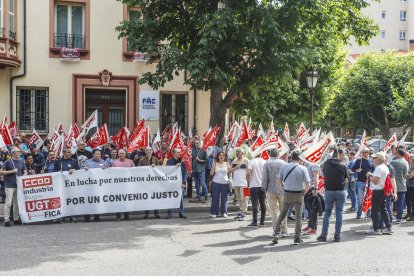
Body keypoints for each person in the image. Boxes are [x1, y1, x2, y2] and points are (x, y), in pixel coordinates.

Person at [273, 150, 310, 245]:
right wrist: (303, 194)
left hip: (287, 193)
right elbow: (308, 184)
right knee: (298, 217)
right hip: (299, 194)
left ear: (291, 157)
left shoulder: (284, 166)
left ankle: (276, 232)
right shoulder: (303, 168)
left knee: (282, 214)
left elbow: (278, 180)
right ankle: (297, 238)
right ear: (300, 158)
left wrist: (283, 189)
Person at [317, 148, 349, 242]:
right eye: (342, 155)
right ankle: (337, 236)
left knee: (327, 213)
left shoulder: (326, 163)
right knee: (339, 212)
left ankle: (324, 235)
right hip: (340, 191)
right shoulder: (343, 166)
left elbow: (323, 174)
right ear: (338, 154)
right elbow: (346, 178)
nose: (344, 157)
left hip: (329, 191)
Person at [262, 148, 287, 237]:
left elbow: (264, 177)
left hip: (270, 189)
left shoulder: (267, 163)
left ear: (270, 155)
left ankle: (276, 230)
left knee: (274, 211)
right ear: (278, 154)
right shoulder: (283, 163)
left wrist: (264, 187)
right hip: (282, 189)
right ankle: (284, 230)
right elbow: (286, 176)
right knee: (283, 210)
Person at [366, 152, 393, 235]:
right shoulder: (384, 167)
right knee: (383, 209)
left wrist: (369, 176)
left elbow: (376, 181)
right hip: (383, 191)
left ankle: (375, 229)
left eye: (374, 158)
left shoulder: (379, 168)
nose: (373, 159)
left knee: (375, 211)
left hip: (378, 191)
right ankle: (388, 227)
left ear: (378, 159)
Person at [0, 148, 27, 227]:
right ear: (13, 153)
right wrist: (12, 171)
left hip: (18, 185)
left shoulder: (21, 161)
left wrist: (23, 176)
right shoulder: (8, 161)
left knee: (16, 203)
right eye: (18, 152)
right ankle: (6, 219)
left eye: (19, 152)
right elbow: (1, 172)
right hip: (9, 185)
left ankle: (16, 218)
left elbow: (25, 171)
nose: (19, 153)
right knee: (8, 202)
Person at [82, 149, 109, 222]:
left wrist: (106, 168)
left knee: (97, 200)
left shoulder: (104, 162)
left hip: (99, 186)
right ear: (93, 155)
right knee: (88, 201)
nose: (98, 156)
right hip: (89, 185)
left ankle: (96, 216)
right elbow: (81, 170)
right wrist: (84, 169)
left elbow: (109, 171)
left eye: (99, 154)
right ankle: (87, 217)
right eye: (97, 154)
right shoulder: (87, 162)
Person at [54, 147, 80, 223]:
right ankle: (63, 216)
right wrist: (58, 172)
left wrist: (74, 170)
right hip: (61, 184)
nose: (70, 154)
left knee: (71, 199)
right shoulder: (58, 162)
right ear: (64, 153)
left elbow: (79, 171)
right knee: (62, 199)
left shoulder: (74, 161)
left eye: (70, 152)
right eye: (68, 152)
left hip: (71, 184)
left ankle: (72, 216)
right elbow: (55, 171)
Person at [111, 149, 135, 220]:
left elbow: (135, 171)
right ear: (118, 154)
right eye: (120, 153)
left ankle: (126, 215)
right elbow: (111, 173)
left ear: (125, 154)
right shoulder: (114, 162)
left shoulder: (130, 161)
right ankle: (118, 215)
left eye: (123, 153)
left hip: (128, 184)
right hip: (118, 184)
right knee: (118, 200)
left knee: (127, 199)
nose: (121, 155)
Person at [351, 147, 374, 219]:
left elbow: (374, 171)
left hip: (369, 182)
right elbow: (352, 170)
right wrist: (357, 170)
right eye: (362, 152)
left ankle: (368, 213)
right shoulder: (358, 161)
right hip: (360, 182)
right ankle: (359, 213)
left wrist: (371, 174)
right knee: (360, 199)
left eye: (365, 152)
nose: (363, 154)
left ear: (368, 153)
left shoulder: (371, 161)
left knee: (368, 198)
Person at [138, 147, 161, 219]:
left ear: (152, 151)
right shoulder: (142, 159)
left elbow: (160, 169)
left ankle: (156, 212)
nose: (149, 151)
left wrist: (156, 167)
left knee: (155, 197)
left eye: (150, 150)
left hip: (154, 181)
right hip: (146, 181)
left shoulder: (155, 159)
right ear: (145, 151)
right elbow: (138, 169)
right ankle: (146, 213)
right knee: (146, 197)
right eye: (147, 150)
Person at [210, 151, 233, 218]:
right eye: (220, 155)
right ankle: (214, 212)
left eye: (222, 155)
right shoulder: (215, 163)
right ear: (218, 156)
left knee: (224, 198)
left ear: (224, 157)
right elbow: (211, 173)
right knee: (215, 198)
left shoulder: (227, 163)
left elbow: (229, 172)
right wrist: (212, 167)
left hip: (225, 183)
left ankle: (224, 212)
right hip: (216, 182)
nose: (221, 156)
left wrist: (230, 178)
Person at [166, 148, 187, 219]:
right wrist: (175, 167)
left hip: (180, 183)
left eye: (179, 152)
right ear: (173, 153)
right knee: (170, 198)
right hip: (171, 183)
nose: (179, 154)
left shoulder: (182, 162)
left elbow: (185, 173)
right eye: (178, 152)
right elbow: (167, 171)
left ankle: (181, 213)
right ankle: (169, 213)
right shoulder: (169, 161)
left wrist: (184, 182)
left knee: (180, 199)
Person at [246, 152, 266, 228]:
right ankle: (262, 221)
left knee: (255, 204)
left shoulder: (251, 161)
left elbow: (248, 173)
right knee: (263, 203)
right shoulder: (264, 162)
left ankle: (255, 221)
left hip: (253, 185)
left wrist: (248, 182)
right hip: (262, 185)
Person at [390, 148, 409, 223]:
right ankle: (399, 218)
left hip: (393, 185)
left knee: (390, 202)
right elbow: (405, 175)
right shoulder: (406, 163)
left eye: (396, 152)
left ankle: (390, 216)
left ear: (398, 153)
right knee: (400, 203)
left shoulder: (393, 162)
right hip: (403, 185)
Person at [303, 161, 321, 235]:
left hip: (312, 189)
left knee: (312, 209)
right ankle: (310, 225)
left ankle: (314, 228)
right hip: (307, 188)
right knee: (308, 208)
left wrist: (315, 189)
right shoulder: (308, 162)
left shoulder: (314, 163)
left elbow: (316, 176)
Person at [231, 148, 249, 221]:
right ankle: (241, 208)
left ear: (243, 153)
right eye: (236, 152)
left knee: (245, 196)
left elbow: (249, 171)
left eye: (239, 151)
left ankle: (244, 209)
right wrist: (236, 167)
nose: (237, 153)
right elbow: (230, 170)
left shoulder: (246, 160)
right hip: (236, 182)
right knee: (238, 197)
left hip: (244, 182)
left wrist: (248, 181)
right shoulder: (234, 160)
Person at [406, 154, 414, 221]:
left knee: (412, 201)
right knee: (408, 200)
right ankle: (408, 213)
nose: (409, 159)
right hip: (409, 185)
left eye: (410, 158)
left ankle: (413, 215)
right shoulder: (411, 166)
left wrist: (405, 174)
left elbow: (410, 176)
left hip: (412, 186)